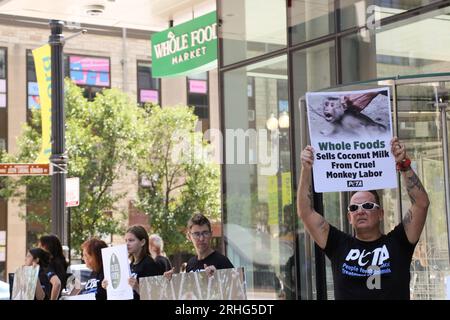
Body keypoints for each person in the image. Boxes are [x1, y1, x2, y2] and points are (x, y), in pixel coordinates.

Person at [297, 136, 430, 300]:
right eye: (354, 208)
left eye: (367, 206)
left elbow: (421, 204)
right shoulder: (338, 245)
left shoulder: (399, 242)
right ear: (349, 217)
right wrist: (306, 169)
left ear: (381, 213)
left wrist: (403, 164)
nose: (360, 211)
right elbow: (305, 212)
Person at [103, 225, 164, 300]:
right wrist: (109, 287)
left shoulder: (149, 264)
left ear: (142, 242)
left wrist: (137, 288)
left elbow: (156, 296)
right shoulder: (130, 265)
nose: (127, 243)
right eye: (126, 240)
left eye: (131, 240)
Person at [38, 235, 68, 299]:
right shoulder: (61, 263)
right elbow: (77, 284)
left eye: (41, 246)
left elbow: (57, 283)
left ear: (48, 248)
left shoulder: (47, 265)